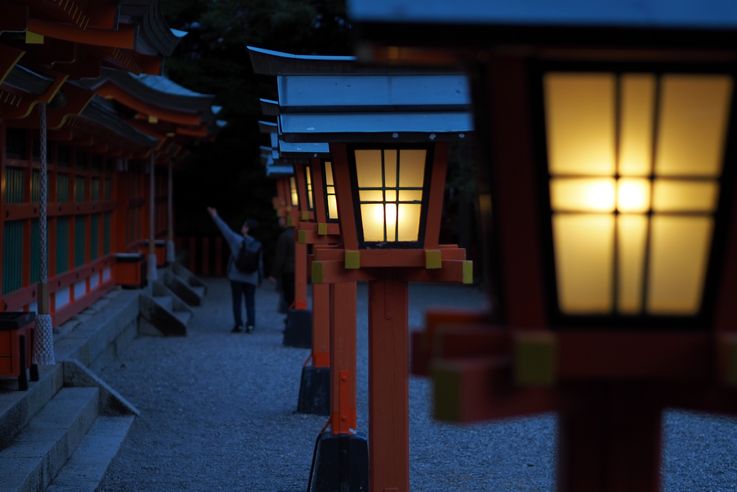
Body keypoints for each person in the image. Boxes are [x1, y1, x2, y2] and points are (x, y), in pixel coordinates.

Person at [207, 207, 263, 333]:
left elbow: (224, 229)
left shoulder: (236, 240)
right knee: (250, 302)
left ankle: (238, 325)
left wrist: (215, 216)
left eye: (244, 226)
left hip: (236, 276)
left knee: (237, 301)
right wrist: (260, 278)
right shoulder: (257, 245)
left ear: (247, 229)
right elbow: (260, 263)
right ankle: (250, 325)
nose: (242, 227)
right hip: (251, 277)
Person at [269, 215, 295, 312]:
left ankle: (292, 319)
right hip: (297, 270)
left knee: (289, 297)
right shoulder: (296, 233)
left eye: (281, 218)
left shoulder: (285, 236)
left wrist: (273, 274)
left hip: (288, 271)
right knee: (293, 297)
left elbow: (280, 257)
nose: (279, 220)